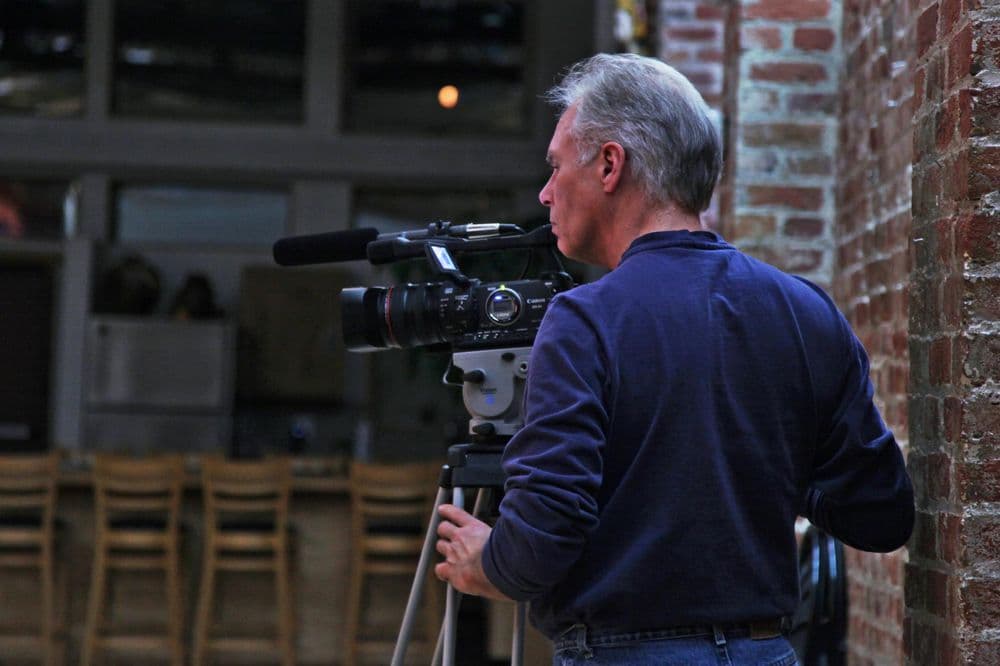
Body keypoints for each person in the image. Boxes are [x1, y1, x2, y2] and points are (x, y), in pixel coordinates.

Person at [434, 53, 914, 665]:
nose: (545, 192)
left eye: (556, 166)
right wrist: (776, 477)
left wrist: (489, 563)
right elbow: (880, 514)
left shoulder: (584, 320)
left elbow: (543, 536)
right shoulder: (805, 312)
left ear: (610, 164)